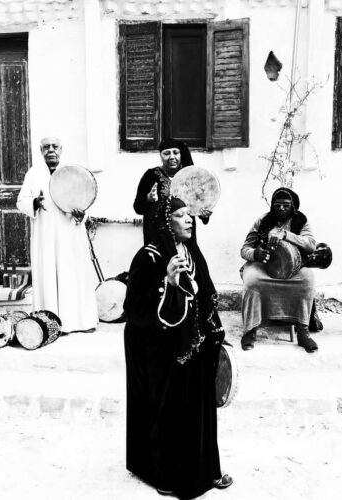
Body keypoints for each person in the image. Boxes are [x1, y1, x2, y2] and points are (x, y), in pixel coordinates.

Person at [123, 196, 232, 499]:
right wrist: (168, 285)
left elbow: (205, 294)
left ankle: (207, 469)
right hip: (157, 347)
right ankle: (165, 473)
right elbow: (134, 310)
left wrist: (214, 330)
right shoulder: (149, 258)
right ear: (164, 223)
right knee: (169, 409)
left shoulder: (191, 251)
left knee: (199, 405)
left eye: (189, 215)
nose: (189, 220)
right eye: (181, 215)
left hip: (192, 341)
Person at [17, 137, 98, 333]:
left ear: (61, 149)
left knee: (73, 275)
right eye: (46, 147)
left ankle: (79, 322)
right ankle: (50, 322)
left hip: (71, 233)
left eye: (55, 146)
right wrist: (35, 203)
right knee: (48, 276)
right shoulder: (33, 174)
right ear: (40, 150)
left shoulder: (73, 172)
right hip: (45, 236)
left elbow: (86, 199)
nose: (51, 150)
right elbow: (21, 201)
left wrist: (82, 214)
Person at [240, 187, 318, 353]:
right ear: (272, 206)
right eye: (277, 205)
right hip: (263, 265)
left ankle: (303, 331)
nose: (281, 208)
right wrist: (255, 254)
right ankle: (250, 330)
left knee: (307, 280)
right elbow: (245, 249)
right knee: (252, 281)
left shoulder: (301, 221)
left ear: (293, 207)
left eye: (286, 205)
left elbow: (311, 245)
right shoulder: (262, 221)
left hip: (293, 267)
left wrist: (286, 235)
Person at [133, 138, 211, 244]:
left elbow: (197, 207)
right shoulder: (150, 175)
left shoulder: (190, 176)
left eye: (175, 152)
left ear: (181, 154)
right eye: (166, 153)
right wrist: (149, 199)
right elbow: (138, 208)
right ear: (160, 155)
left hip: (185, 237)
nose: (172, 157)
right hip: (159, 237)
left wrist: (204, 215)